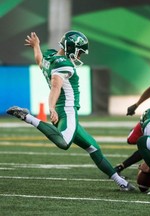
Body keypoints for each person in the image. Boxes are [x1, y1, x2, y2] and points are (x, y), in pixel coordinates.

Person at [6, 31, 135, 191]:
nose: (80, 56)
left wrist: (36, 46)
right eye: (79, 51)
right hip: (67, 111)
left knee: (93, 147)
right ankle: (28, 117)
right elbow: (55, 85)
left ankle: (121, 183)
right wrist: (51, 107)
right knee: (64, 143)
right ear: (71, 48)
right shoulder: (64, 64)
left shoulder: (51, 57)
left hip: (64, 111)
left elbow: (40, 62)